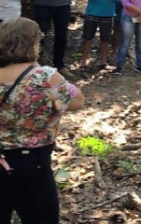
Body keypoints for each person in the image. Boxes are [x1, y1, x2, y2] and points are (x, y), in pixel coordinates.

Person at [0, 17, 84, 224]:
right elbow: (77, 101)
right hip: (31, 162)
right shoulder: (44, 77)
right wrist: (36, 65)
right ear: (32, 43)